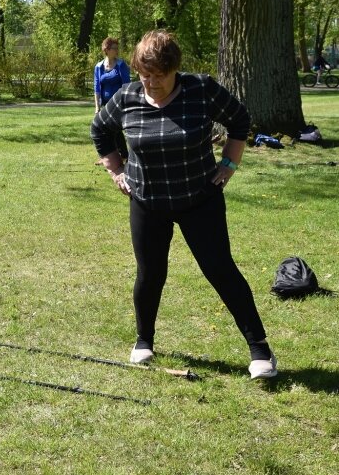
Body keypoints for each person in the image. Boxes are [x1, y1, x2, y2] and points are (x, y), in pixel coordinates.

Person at [90, 30, 277, 380]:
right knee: (150, 274)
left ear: (174, 69)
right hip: (148, 202)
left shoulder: (200, 89)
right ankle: (144, 340)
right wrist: (117, 170)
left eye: (159, 75)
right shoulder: (128, 96)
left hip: (198, 200)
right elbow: (100, 129)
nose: (151, 82)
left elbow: (239, 120)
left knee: (221, 270)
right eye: (145, 75)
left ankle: (259, 349)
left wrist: (229, 164)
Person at [94, 37, 131, 160]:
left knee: (116, 129)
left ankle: (123, 154)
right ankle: (111, 156)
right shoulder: (99, 67)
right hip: (105, 104)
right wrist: (97, 107)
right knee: (106, 130)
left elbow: (127, 85)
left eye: (117, 48)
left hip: (119, 103)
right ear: (107, 49)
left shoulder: (121, 65)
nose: (117, 51)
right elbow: (97, 88)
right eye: (114, 48)